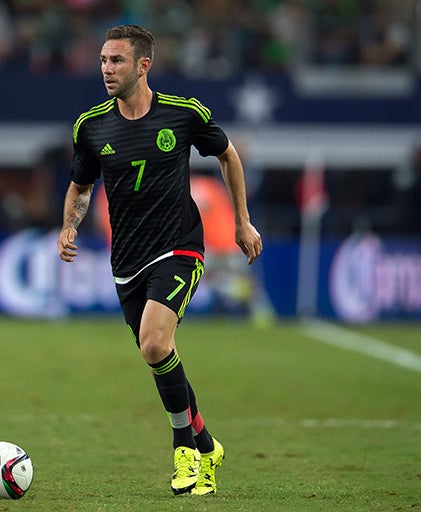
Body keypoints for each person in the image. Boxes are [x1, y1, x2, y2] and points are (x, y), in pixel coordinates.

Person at [56, 25, 262, 496]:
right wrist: (69, 224)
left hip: (179, 247)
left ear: (143, 65)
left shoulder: (183, 115)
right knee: (160, 354)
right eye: (103, 61)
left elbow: (229, 157)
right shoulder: (91, 126)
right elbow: (81, 186)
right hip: (126, 260)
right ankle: (208, 443)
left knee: (153, 344)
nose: (106, 69)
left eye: (117, 61)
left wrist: (241, 222)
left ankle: (185, 453)